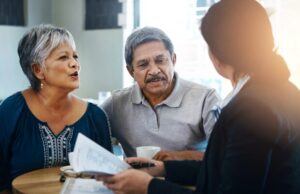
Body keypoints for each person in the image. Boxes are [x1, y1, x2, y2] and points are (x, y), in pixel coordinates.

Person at [98, 0, 300, 194]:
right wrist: (163, 169)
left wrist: (149, 187)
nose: (153, 70)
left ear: (218, 53)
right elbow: (226, 170)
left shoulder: (252, 110)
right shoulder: (285, 91)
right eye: (143, 64)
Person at [0, 24, 112, 193]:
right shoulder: (11, 111)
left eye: (75, 56)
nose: (75, 64)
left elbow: (110, 182)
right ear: (38, 70)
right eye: (63, 58)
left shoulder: (96, 117)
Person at [101, 26, 220, 161]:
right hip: (135, 181)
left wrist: (178, 157)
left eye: (160, 60)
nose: (154, 71)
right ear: (131, 71)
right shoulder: (116, 104)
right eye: (143, 64)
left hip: (189, 181)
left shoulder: (206, 99)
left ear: (173, 60)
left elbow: (224, 157)